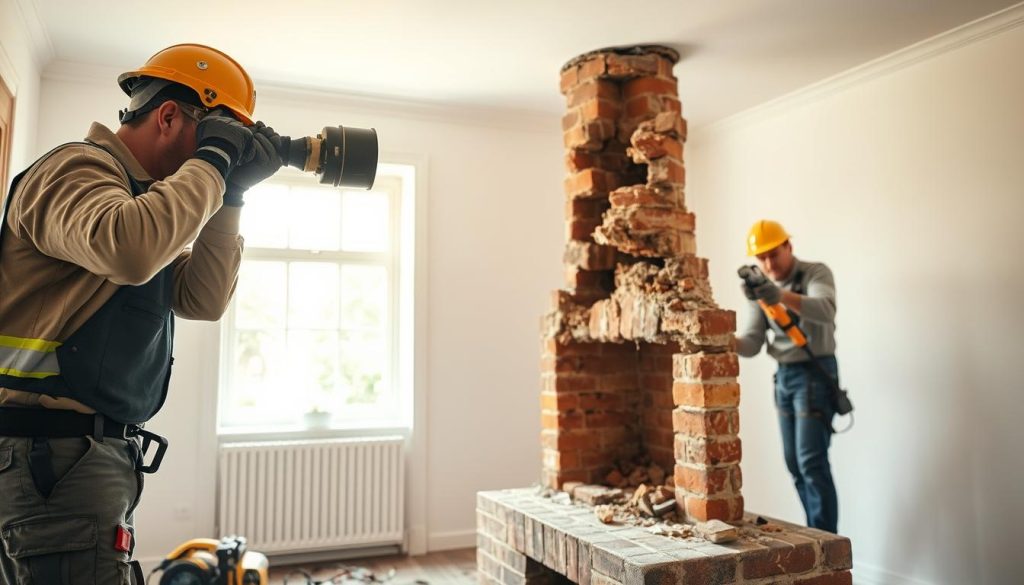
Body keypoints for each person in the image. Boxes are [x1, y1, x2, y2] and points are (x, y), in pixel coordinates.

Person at [0, 43, 281, 582]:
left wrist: (232, 196)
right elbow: (129, 250)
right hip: (49, 456)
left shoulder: (143, 204)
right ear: (169, 116)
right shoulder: (75, 169)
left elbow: (203, 298)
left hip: (75, 457)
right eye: (219, 132)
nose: (225, 152)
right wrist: (213, 162)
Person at [734, 220, 841, 533]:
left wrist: (779, 295)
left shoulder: (815, 273)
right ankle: (816, 537)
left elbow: (826, 309)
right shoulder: (760, 290)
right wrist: (720, 339)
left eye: (774, 254)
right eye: (762, 258)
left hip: (815, 375)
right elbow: (753, 342)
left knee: (811, 463)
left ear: (788, 247)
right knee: (795, 464)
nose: (769, 264)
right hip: (785, 378)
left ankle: (826, 543)